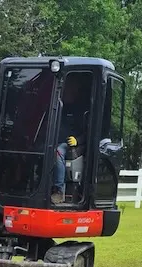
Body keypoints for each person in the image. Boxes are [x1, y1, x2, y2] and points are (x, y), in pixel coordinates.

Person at [52, 74, 90, 204]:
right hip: (52, 141)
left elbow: (89, 133)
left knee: (58, 153)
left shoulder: (81, 111)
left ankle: (59, 191)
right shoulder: (58, 107)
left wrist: (77, 140)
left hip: (69, 144)